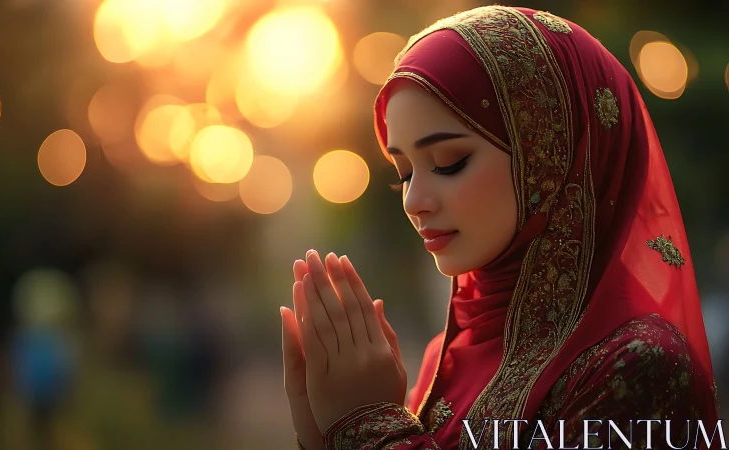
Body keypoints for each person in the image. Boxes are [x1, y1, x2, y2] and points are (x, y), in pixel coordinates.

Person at [280, 5, 721, 449]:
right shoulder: (445, 356)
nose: (414, 202)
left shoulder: (642, 365)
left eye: (449, 163)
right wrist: (323, 434)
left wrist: (371, 424)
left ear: (549, 158)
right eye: (405, 172)